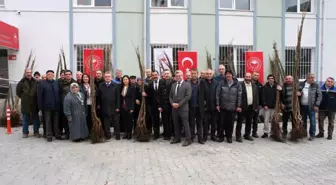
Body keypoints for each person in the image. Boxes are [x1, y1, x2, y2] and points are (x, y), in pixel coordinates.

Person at [216, 70, 242, 143]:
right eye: (227, 74)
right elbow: (217, 94)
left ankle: (229, 136)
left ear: (232, 75)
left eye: (229, 74)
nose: (228, 76)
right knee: (222, 123)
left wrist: (238, 106)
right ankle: (221, 136)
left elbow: (239, 95)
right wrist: (217, 104)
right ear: (225, 75)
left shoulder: (237, 84)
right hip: (223, 106)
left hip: (232, 107)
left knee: (230, 123)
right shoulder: (222, 83)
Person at [38, 70, 63, 142]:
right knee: (48, 122)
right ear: (46, 75)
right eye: (48, 74)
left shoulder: (56, 83)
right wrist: (40, 107)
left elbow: (60, 93)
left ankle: (57, 134)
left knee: (56, 121)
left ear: (53, 75)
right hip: (47, 107)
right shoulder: (42, 83)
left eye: (51, 74)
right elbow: (39, 96)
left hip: (56, 106)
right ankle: (49, 135)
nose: (50, 75)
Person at [170, 70, 192, 147]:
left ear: (182, 75)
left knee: (185, 124)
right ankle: (177, 138)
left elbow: (188, 96)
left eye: (179, 76)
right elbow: (170, 96)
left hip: (183, 108)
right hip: (174, 108)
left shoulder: (187, 84)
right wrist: (172, 103)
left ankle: (188, 140)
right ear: (175, 77)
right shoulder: (173, 85)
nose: (178, 77)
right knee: (176, 123)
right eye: (177, 76)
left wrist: (179, 104)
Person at [16, 68, 40, 138]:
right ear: (25, 73)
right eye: (27, 72)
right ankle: (25, 132)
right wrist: (24, 98)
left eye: (30, 72)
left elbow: (38, 91)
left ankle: (36, 132)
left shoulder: (36, 82)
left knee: (36, 119)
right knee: (25, 119)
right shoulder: (21, 82)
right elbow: (18, 92)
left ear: (31, 73)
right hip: (25, 103)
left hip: (34, 103)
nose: (29, 74)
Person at [298, 73, 322, 141]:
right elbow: (298, 91)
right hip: (302, 106)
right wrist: (298, 93)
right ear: (307, 78)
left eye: (313, 77)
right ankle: (304, 133)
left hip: (312, 107)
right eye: (311, 77)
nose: (313, 79)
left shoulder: (316, 85)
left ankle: (312, 135)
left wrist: (317, 105)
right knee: (303, 121)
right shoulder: (301, 84)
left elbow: (319, 96)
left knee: (313, 121)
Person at [97, 71, 121, 140]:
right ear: (104, 78)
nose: (107, 78)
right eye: (106, 77)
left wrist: (118, 107)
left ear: (111, 77)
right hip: (104, 107)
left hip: (114, 107)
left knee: (116, 122)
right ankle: (108, 135)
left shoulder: (116, 85)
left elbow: (118, 97)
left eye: (109, 76)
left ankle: (117, 135)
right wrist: (99, 105)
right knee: (106, 123)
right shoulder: (101, 85)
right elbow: (99, 96)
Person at [143, 71, 165, 139]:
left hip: (162, 104)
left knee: (165, 119)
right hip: (153, 105)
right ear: (152, 76)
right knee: (155, 120)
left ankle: (167, 133)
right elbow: (147, 93)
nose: (154, 76)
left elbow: (164, 94)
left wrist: (161, 104)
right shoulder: (150, 84)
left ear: (158, 75)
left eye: (156, 75)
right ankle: (156, 134)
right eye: (153, 75)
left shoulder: (162, 82)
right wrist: (144, 93)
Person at [200, 69, 219, 142]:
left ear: (212, 74)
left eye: (210, 74)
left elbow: (217, 94)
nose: (208, 75)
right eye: (207, 74)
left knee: (214, 122)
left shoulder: (216, 82)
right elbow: (201, 95)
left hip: (214, 106)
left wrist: (217, 104)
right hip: (205, 107)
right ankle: (205, 136)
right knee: (205, 122)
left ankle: (213, 135)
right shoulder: (202, 82)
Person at [59, 70, 76, 139]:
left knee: (73, 119)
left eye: (69, 74)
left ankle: (73, 133)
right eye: (66, 74)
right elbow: (59, 93)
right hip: (64, 104)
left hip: (73, 104)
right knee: (65, 120)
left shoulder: (75, 83)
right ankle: (67, 133)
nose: (68, 75)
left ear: (71, 75)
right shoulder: (61, 83)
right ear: (65, 75)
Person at [188, 69, 204, 144]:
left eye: (195, 73)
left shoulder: (201, 82)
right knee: (191, 123)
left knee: (199, 123)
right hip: (191, 106)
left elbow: (204, 94)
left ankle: (200, 139)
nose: (193, 75)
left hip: (199, 106)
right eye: (192, 73)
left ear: (197, 74)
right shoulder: (187, 83)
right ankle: (191, 137)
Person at [120, 75, 136, 139]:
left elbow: (133, 99)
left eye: (126, 79)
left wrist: (132, 108)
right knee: (124, 120)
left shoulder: (132, 87)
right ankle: (125, 133)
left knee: (129, 121)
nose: (125, 81)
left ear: (128, 80)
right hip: (123, 107)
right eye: (124, 80)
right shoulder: (121, 87)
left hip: (129, 107)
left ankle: (129, 134)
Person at [280, 75, 295, 139]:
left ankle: (294, 133)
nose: (288, 80)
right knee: (285, 121)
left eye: (290, 78)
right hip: (286, 107)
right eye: (287, 79)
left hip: (294, 108)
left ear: (292, 79)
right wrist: (281, 103)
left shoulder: (296, 87)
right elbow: (279, 97)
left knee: (294, 121)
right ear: (285, 80)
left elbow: (301, 94)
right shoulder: (282, 87)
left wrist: (300, 93)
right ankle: (284, 133)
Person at [162, 70, 174, 140]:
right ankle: (167, 134)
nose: (166, 75)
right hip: (164, 104)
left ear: (170, 74)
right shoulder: (161, 82)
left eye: (168, 73)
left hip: (172, 104)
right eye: (165, 74)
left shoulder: (173, 82)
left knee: (172, 120)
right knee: (165, 120)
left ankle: (172, 132)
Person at [251, 71, 263, 138]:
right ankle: (247, 133)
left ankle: (254, 133)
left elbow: (262, 95)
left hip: (257, 105)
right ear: (252, 75)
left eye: (257, 75)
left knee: (255, 120)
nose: (256, 76)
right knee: (248, 119)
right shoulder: (248, 83)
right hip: (249, 105)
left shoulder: (260, 85)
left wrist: (261, 104)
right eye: (255, 75)